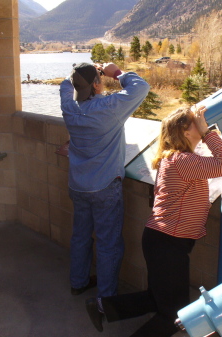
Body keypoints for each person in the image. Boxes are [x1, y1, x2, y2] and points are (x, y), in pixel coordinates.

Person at [85, 106, 222, 336]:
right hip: (168, 242)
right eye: (195, 122)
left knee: (158, 298)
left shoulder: (176, 159)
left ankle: (102, 307)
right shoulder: (183, 161)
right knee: (174, 315)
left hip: (164, 240)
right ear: (185, 132)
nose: (201, 124)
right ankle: (103, 308)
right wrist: (208, 133)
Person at [60, 63, 150, 300]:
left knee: (80, 236)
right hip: (104, 187)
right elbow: (141, 87)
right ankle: (106, 299)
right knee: (108, 243)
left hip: (77, 186)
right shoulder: (108, 108)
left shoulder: (69, 106)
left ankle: (77, 282)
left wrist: (81, 75)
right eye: (99, 78)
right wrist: (116, 72)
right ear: (97, 85)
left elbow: (64, 85)